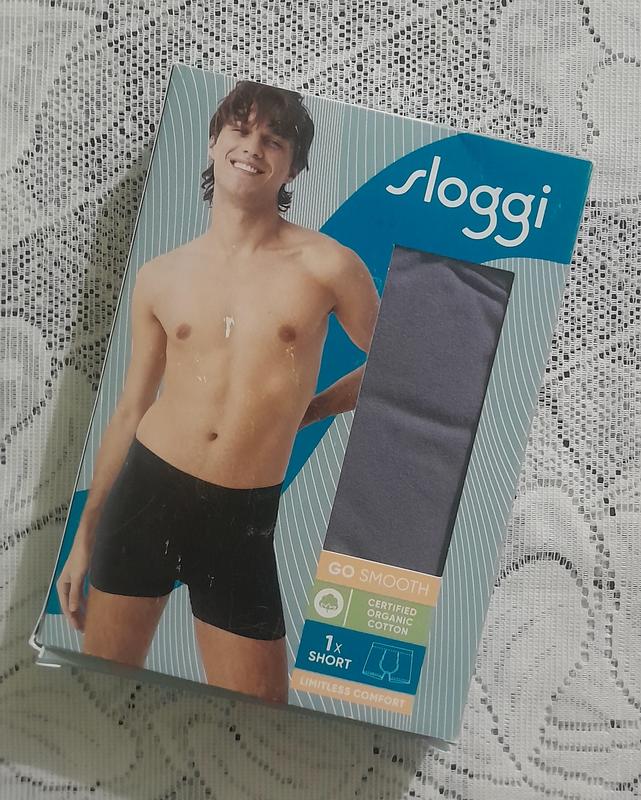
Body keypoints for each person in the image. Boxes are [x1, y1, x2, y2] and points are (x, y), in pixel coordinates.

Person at [56, 80, 380, 703]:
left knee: (262, 713)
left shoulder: (328, 265)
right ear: (213, 143)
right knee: (100, 696)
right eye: (239, 129)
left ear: (293, 167)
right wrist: (83, 537)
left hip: (241, 519)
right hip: (145, 498)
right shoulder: (160, 276)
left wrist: (309, 411)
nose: (252, 147)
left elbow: (407, 368)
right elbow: (129, 411)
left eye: (274, 140)